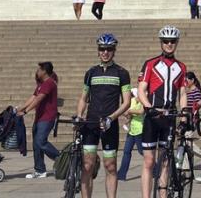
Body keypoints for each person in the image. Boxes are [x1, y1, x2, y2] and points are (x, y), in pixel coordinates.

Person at [77, 34, 132, 198]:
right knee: (87, 165)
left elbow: (127, 102)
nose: (105, 52)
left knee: (110, 166)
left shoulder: (122, 73)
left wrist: (111, 118)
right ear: (98, 50)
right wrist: (79, 115)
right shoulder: (91, 72)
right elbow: (83, 98)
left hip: (110, 124)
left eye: (109, 49)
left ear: (114, 51)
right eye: (102, 49)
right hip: (90, 124)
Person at [137, 25, 188, 198]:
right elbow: (142, 89)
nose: (169, 44)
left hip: (170, 116)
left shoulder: (181, 67)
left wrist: (184, 113)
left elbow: (182, 93)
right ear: (161, 43)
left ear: (176, 43)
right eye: (166, 41)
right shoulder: (151, 64)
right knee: (149, 161)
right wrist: (148, 107)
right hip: (153, 116)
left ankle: (163, 195)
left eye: (172, 41)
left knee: (165, 160)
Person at [17, 62, 59, 179]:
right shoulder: (42, 84)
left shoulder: (49, 83)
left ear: (44, 71)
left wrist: (26, 112)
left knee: (41, 141)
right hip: (40, 117)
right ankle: (40, 170)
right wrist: (21, 108)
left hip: (47, 117)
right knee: (36, 145)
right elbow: (34, 97)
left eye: (39, 70)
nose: (37, 72)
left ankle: (60, 158)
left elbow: (39, 99)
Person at [116, 87, 144, 182]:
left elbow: (141, 112)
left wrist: (130, 112)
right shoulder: (132, 101)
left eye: (132, 94)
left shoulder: (143, 102)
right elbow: (128, 114)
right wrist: (127, 116)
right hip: (132, 130)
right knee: (126, 152)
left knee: (143, 152)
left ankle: (156, 170)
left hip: (140, 130)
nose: (131, 96)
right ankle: (121, 174)